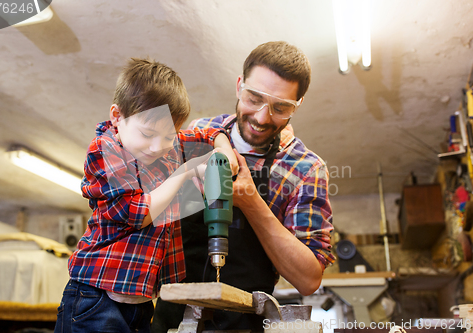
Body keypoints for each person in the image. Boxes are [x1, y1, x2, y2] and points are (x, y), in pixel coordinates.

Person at [152, 41, 336, 332]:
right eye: (254, 98)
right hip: (173, 317)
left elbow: (308, 279)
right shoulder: (196, 134)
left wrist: (251, 202)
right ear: (239, 86)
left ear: (297, 105)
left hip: (245, 321)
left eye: (281, 107)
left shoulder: (306, 169)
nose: (262, 117)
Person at [54, 58, 237, 333]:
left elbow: (209, 133)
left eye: (168, 137)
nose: (157, 147)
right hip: (95, 296)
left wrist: (224, 150)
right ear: (117, 116)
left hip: (140, 302)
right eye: (148, 134)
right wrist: (185, 172)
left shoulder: (166, 144)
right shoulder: (105, 150)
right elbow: (140, 213)